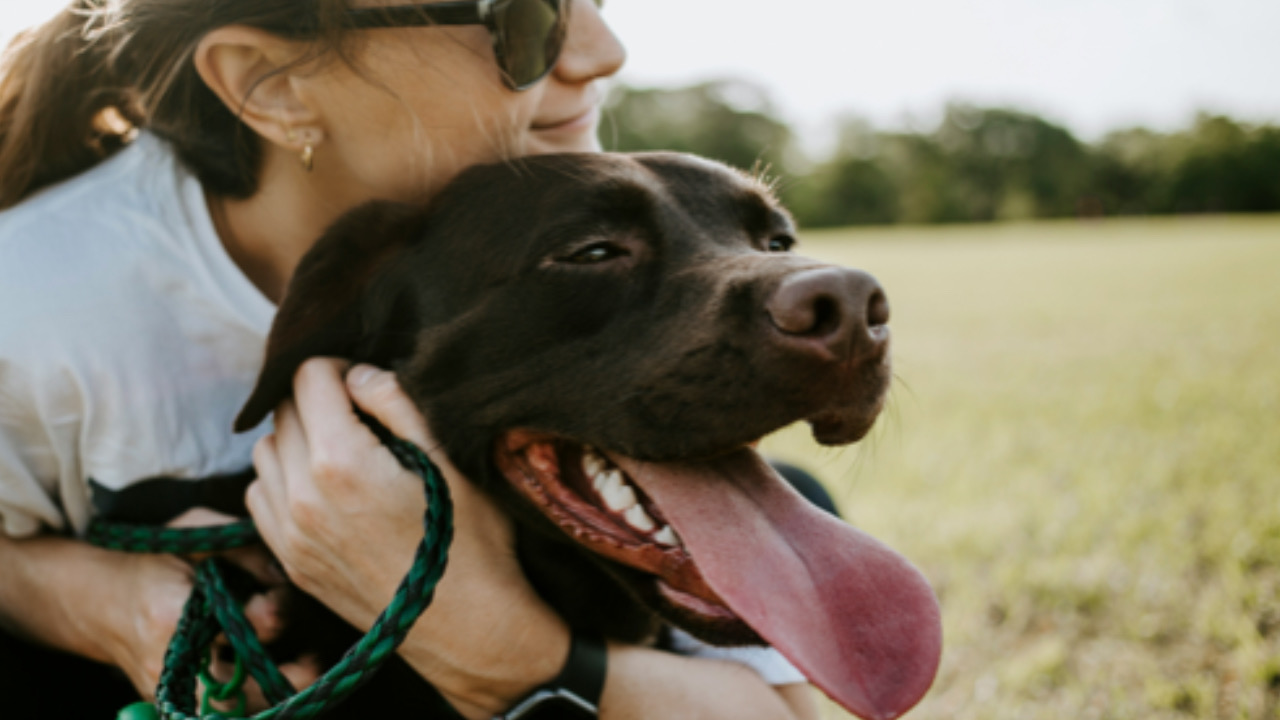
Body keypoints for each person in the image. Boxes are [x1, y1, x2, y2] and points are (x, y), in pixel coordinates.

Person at [0, 1, 821, 718]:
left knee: (797, 494)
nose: (603, 49)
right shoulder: (35, 302)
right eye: (518, 15)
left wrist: (491, 641)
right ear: (269, 84)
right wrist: (100, 601)